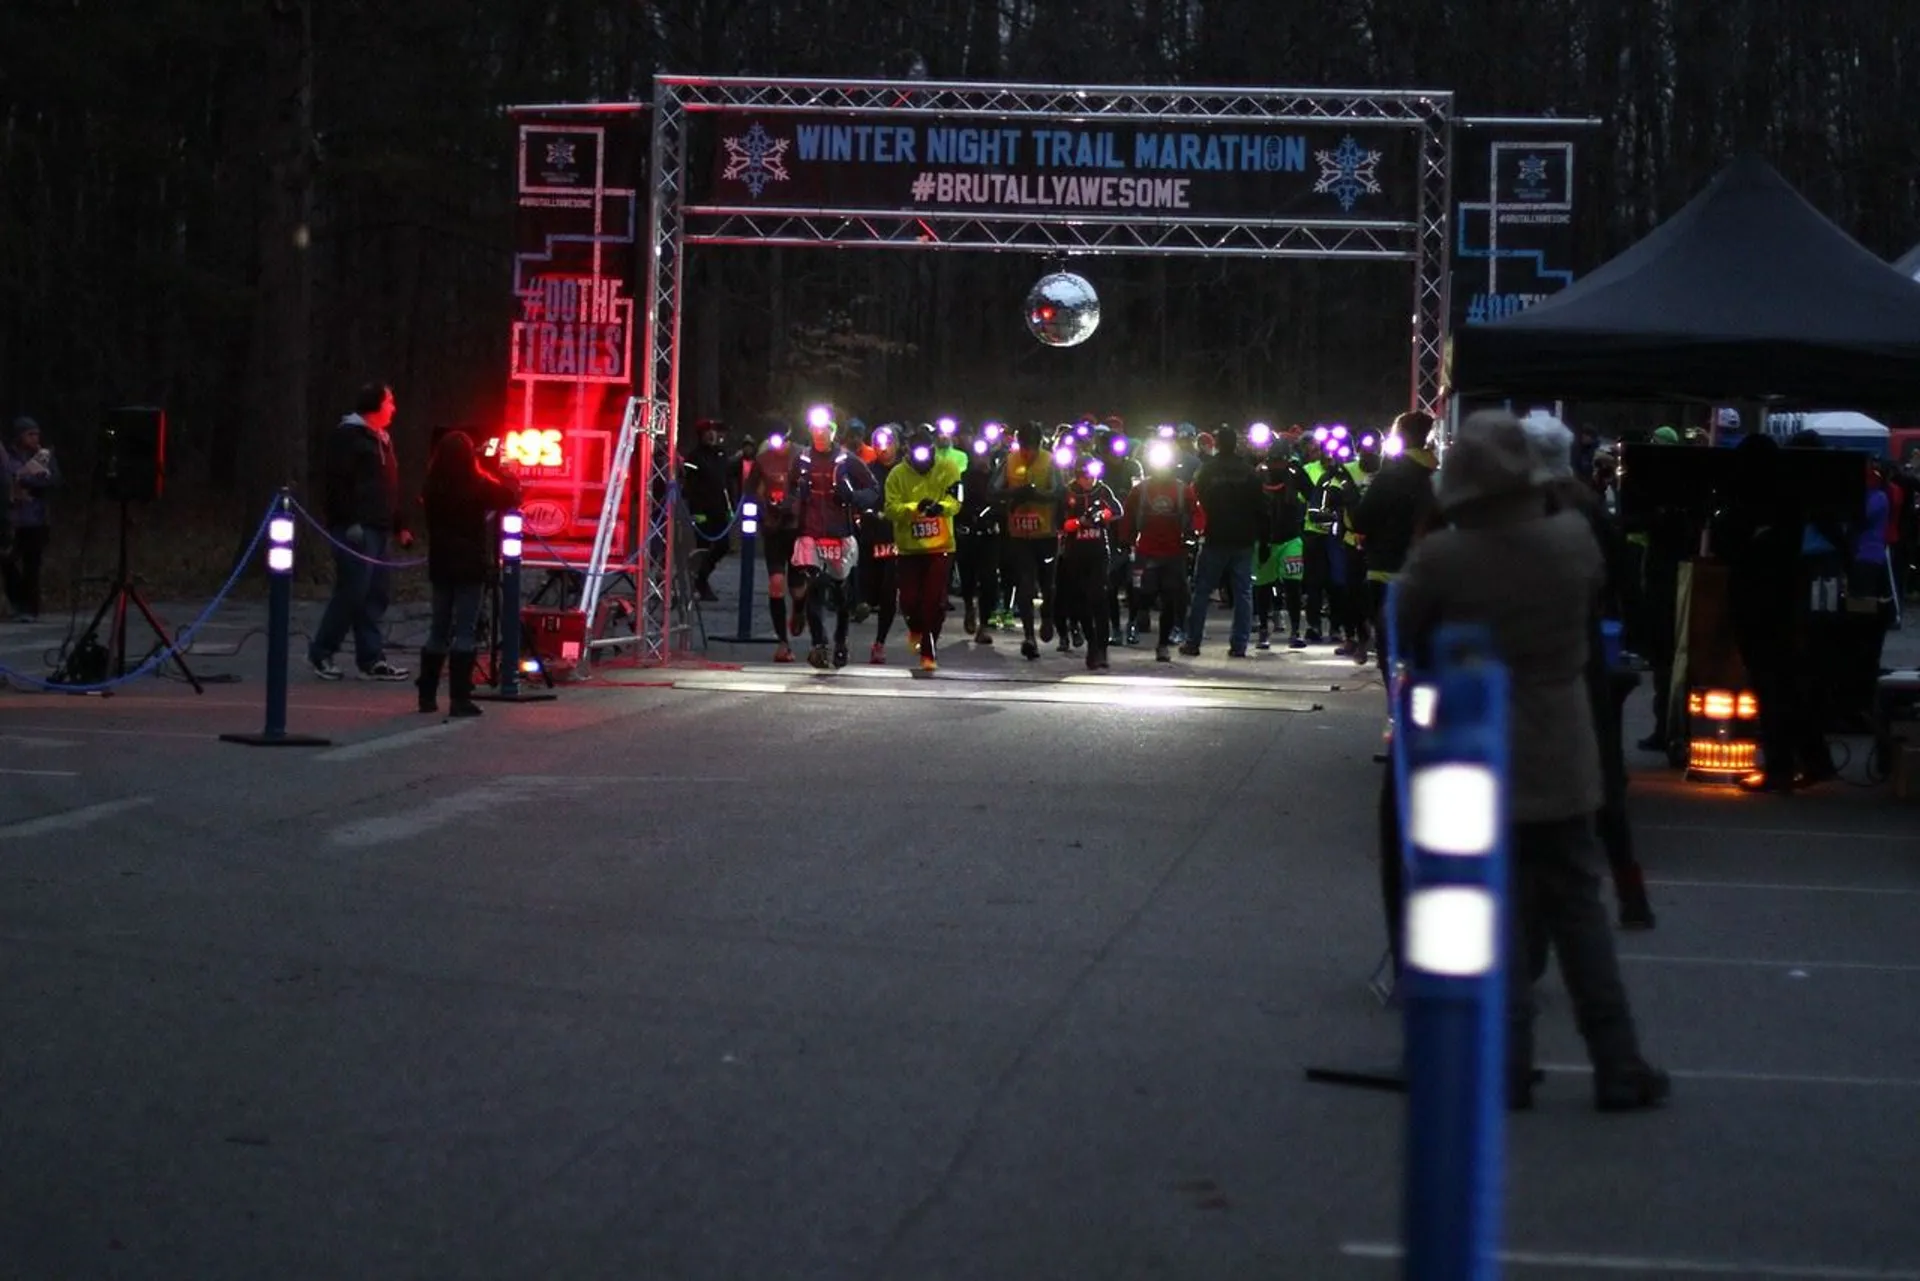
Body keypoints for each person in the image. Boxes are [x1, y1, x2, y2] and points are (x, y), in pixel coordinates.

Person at [1395, 410, 1668, 1112]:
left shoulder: (1444, 559)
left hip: (1475, 748)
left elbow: (1398, 629)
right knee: (1579, 912)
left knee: (1496, 919)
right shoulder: (1573, 541)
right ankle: (1618, 1059)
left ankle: (1506, 1063)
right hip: (1563, 740)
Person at [1523, 412, 1656, 929]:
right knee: (1601, 776)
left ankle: (1529, 904)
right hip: (1588, 651)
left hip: (1535, 661)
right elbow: (1624, 579)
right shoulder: (1590, 506)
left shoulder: (1527, 511)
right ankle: (1629, 889)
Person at [309, 383, 414, 680]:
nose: (393, 407)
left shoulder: (383, 440)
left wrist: (400, 525)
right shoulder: (347, 437)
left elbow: (388, 488)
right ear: (375, 405)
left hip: (379, 528)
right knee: (352, 591)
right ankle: (322, 652)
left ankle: (371, 658)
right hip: (356, 529)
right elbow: (337, 483)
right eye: (389, 402)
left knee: (375, 594)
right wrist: (349, 520)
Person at [415, 432, 521, 716]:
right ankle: (460, 698)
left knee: (438, 628)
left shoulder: (431, 487)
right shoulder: (477, 484)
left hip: (440, 563)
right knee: (465, 629)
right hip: (470, 565)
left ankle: (426, 695)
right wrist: (506, 472)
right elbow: (509, 497)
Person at [782, 411, 877, 670]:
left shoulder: (847, 460)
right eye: (816, 428)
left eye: (826, 429)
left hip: (839, 535)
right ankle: (819, 644)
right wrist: (790, 501)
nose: (820, 434)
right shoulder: (802, 459)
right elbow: (788, 491)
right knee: (814, 584)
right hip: (810, 533)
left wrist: (852, 497)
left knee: (840, 592)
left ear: (834, 432)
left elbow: (874, 490)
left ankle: (841, 641)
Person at [884, 426, 963, 671]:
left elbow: (957, 499)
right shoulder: (897, 474)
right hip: (909, 549)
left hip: (941, 547)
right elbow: (890, 509)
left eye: (927, 453)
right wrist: (915, 508)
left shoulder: (948, 467)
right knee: (908, 601)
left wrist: (941, 508)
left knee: (934, 601)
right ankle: (916, 629)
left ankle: (929, 651)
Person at [1181, 426, 1263, 658]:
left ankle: (1193, 641)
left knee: (1202, 591)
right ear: (1235, 444)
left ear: (1217, 444)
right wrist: (1262, 538)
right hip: (1243, 539)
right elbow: (1261, 506)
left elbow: (1193, 499)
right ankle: (1239, 644)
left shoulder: (1207, 470)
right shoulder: (1248, 472)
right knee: (1243, 593)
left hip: (1215, 536)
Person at [1119, 439, 1195, 663]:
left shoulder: (1184, 490)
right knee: (1140, 591)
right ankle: (1133, 622)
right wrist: (1126, 540)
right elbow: (1128, 516)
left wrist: (1193, 535)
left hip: (1173, 552)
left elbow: (1196, 515)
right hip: (1145, 550)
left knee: (1171, 597)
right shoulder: (1140, 490)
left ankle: (1163, 643)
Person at [994, 422, 1062, 661]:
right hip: (1019, 535)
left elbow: (1059, 492)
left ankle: (1047, 616)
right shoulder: (1009, 461)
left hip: (1046, 534)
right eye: (1023, 447)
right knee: (1025, 583)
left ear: (1039, 445)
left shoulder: (1051, 461)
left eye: (1031, 447)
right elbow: (993, 490)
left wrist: (1037, 495)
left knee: (1048, 584)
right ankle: (1029, 637)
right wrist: (1014, 494)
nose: (1027, 452)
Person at [1057, 454, 1125, 670]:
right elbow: (1060, 523)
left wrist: (1101, 515)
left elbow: (1117, 511)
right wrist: (1080, 522)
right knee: (1079, 602)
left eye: (1091, 475)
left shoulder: (1102, 490)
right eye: (1084, 476)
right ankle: (1091, 643)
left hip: (1098, 553)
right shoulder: (1068, 492)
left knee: (1099, 598)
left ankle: (1102, 648)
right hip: (1074, 553)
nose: (1089, 480)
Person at [744, 431, 798, 662]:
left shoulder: (801, 456)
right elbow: (749, 491)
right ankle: (783, 642)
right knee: (776, 584)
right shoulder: (763, 460)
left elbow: (810, 486)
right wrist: (762, 509)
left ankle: (800, 611)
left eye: (783, 440)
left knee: (798, 588)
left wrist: (793, 502)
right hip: (773, 529)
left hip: (797, 529)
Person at [3, 417, 60, 622]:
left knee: (32, 565)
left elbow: (53, 480)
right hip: (14, 518)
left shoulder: (44, 455)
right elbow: (8, 477)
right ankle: (19, 600)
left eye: (36, 434)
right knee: (6, 560)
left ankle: (30, 608)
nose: (35, 438)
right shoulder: (8, 456)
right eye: (30, 434)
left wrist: (28, 480)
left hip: (37, 518)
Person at [680, 418, 734, 602]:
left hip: (720, 509)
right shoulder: (694, 457)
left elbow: (727, 482)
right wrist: (696, 511)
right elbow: (691, 488)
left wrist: (730, 507)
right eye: (707, 432)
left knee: (723, 546)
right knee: (702, 549)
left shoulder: (721, 454)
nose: (712, 435)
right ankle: (700, 584)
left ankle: (701, 579)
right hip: (703, 511)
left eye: (714, 432)